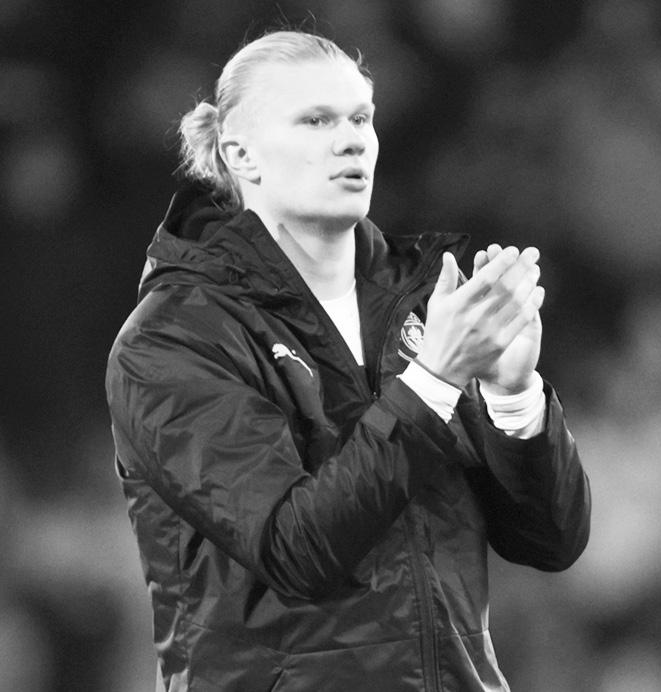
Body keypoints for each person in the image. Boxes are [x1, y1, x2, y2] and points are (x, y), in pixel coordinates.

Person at [106, 29, 591, 692]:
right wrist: (432, 382)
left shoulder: (423, 305)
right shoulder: (173, 338)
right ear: (240, 153)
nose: (351, 140)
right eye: (316, 120)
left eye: (361, 118)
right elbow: (296, 550)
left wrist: (513, 395)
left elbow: (551, 542)